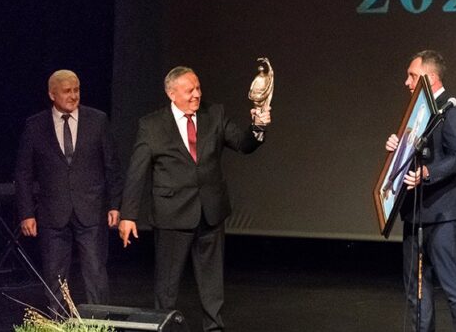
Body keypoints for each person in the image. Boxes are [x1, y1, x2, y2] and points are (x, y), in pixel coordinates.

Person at [117, 66, 270, 332]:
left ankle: (213, 328)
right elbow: (136, 172)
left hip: (210, 211)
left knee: (212, 283)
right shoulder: (152, 125)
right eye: (190, 90)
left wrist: (258, 127)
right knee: (167, 285)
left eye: (198, 88)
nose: (197, 94)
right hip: (172, 214)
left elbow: (244, 144)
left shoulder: (214, 114)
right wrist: (128, 215)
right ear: (172, 93)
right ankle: (163, 327)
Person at [15, 69, 123, 312]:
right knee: (54, 273)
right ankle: (58, 320)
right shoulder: (35, 126)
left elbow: (112, 167)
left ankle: (99, 322)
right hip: (52, 211)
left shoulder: (97, 120)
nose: (73, 96)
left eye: (76, 90)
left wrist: (115, 205)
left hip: (91, 209)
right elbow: (23, 173)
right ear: (52, 94)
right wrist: (26, 213)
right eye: (67, 91)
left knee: (95, 270)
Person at [385, 50, 456, 331]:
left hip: (443, 214)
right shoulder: (417, 116)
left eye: (412, 75)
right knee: (417, 291)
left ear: (431, 77)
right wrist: (397, 148)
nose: (407, 82)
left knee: (451, 284)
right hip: (415, 213)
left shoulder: (453, 111)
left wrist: (427, 173)